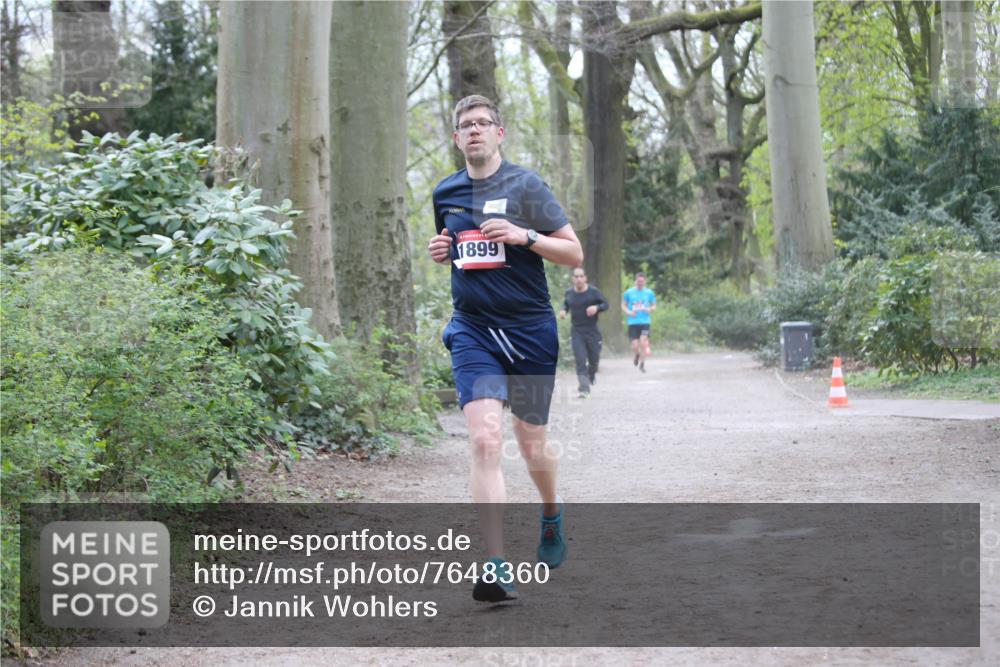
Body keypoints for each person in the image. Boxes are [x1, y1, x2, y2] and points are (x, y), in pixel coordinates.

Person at [426, 95, 583, 603]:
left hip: (530, 331)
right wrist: (441, 252)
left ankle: (552, 510)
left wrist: (524, 235)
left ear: (500, 132)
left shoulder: (526, 185)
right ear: (456, 138)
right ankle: (495, 564)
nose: (474, 131)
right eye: (464, 125)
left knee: (531, 441)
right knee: (486, 440)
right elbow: (454, 251)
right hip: (473, 330)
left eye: (482, 123)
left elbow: (573, 251)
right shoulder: (445, 191)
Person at [560, 267, 609, 397]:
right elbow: (566, 304)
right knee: (580, 360)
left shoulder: (593, 292)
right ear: (573, 279)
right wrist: (564, 311)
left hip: (592, 331)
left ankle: (591, 374)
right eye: (576, 277)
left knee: (594, 360)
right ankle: (584, 388)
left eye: (581, 276)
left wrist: (596, 308)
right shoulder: (569, 293)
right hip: (577, 331)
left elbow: (606, 304)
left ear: (585, 278)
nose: (579, 279)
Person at [622, 272, 656, 372]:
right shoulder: (628, 293)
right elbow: (623, 305)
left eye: (642, 281)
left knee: (643, 342)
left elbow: (654, 305)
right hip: (632, 322)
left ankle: (642, 364)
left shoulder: (649, 293)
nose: (640, 283)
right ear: (635, 281)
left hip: (645, 322)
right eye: (638, 281)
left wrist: (650, 309)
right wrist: (628, 311)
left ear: (645, 281)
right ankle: (637, 354)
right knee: (635, 345)